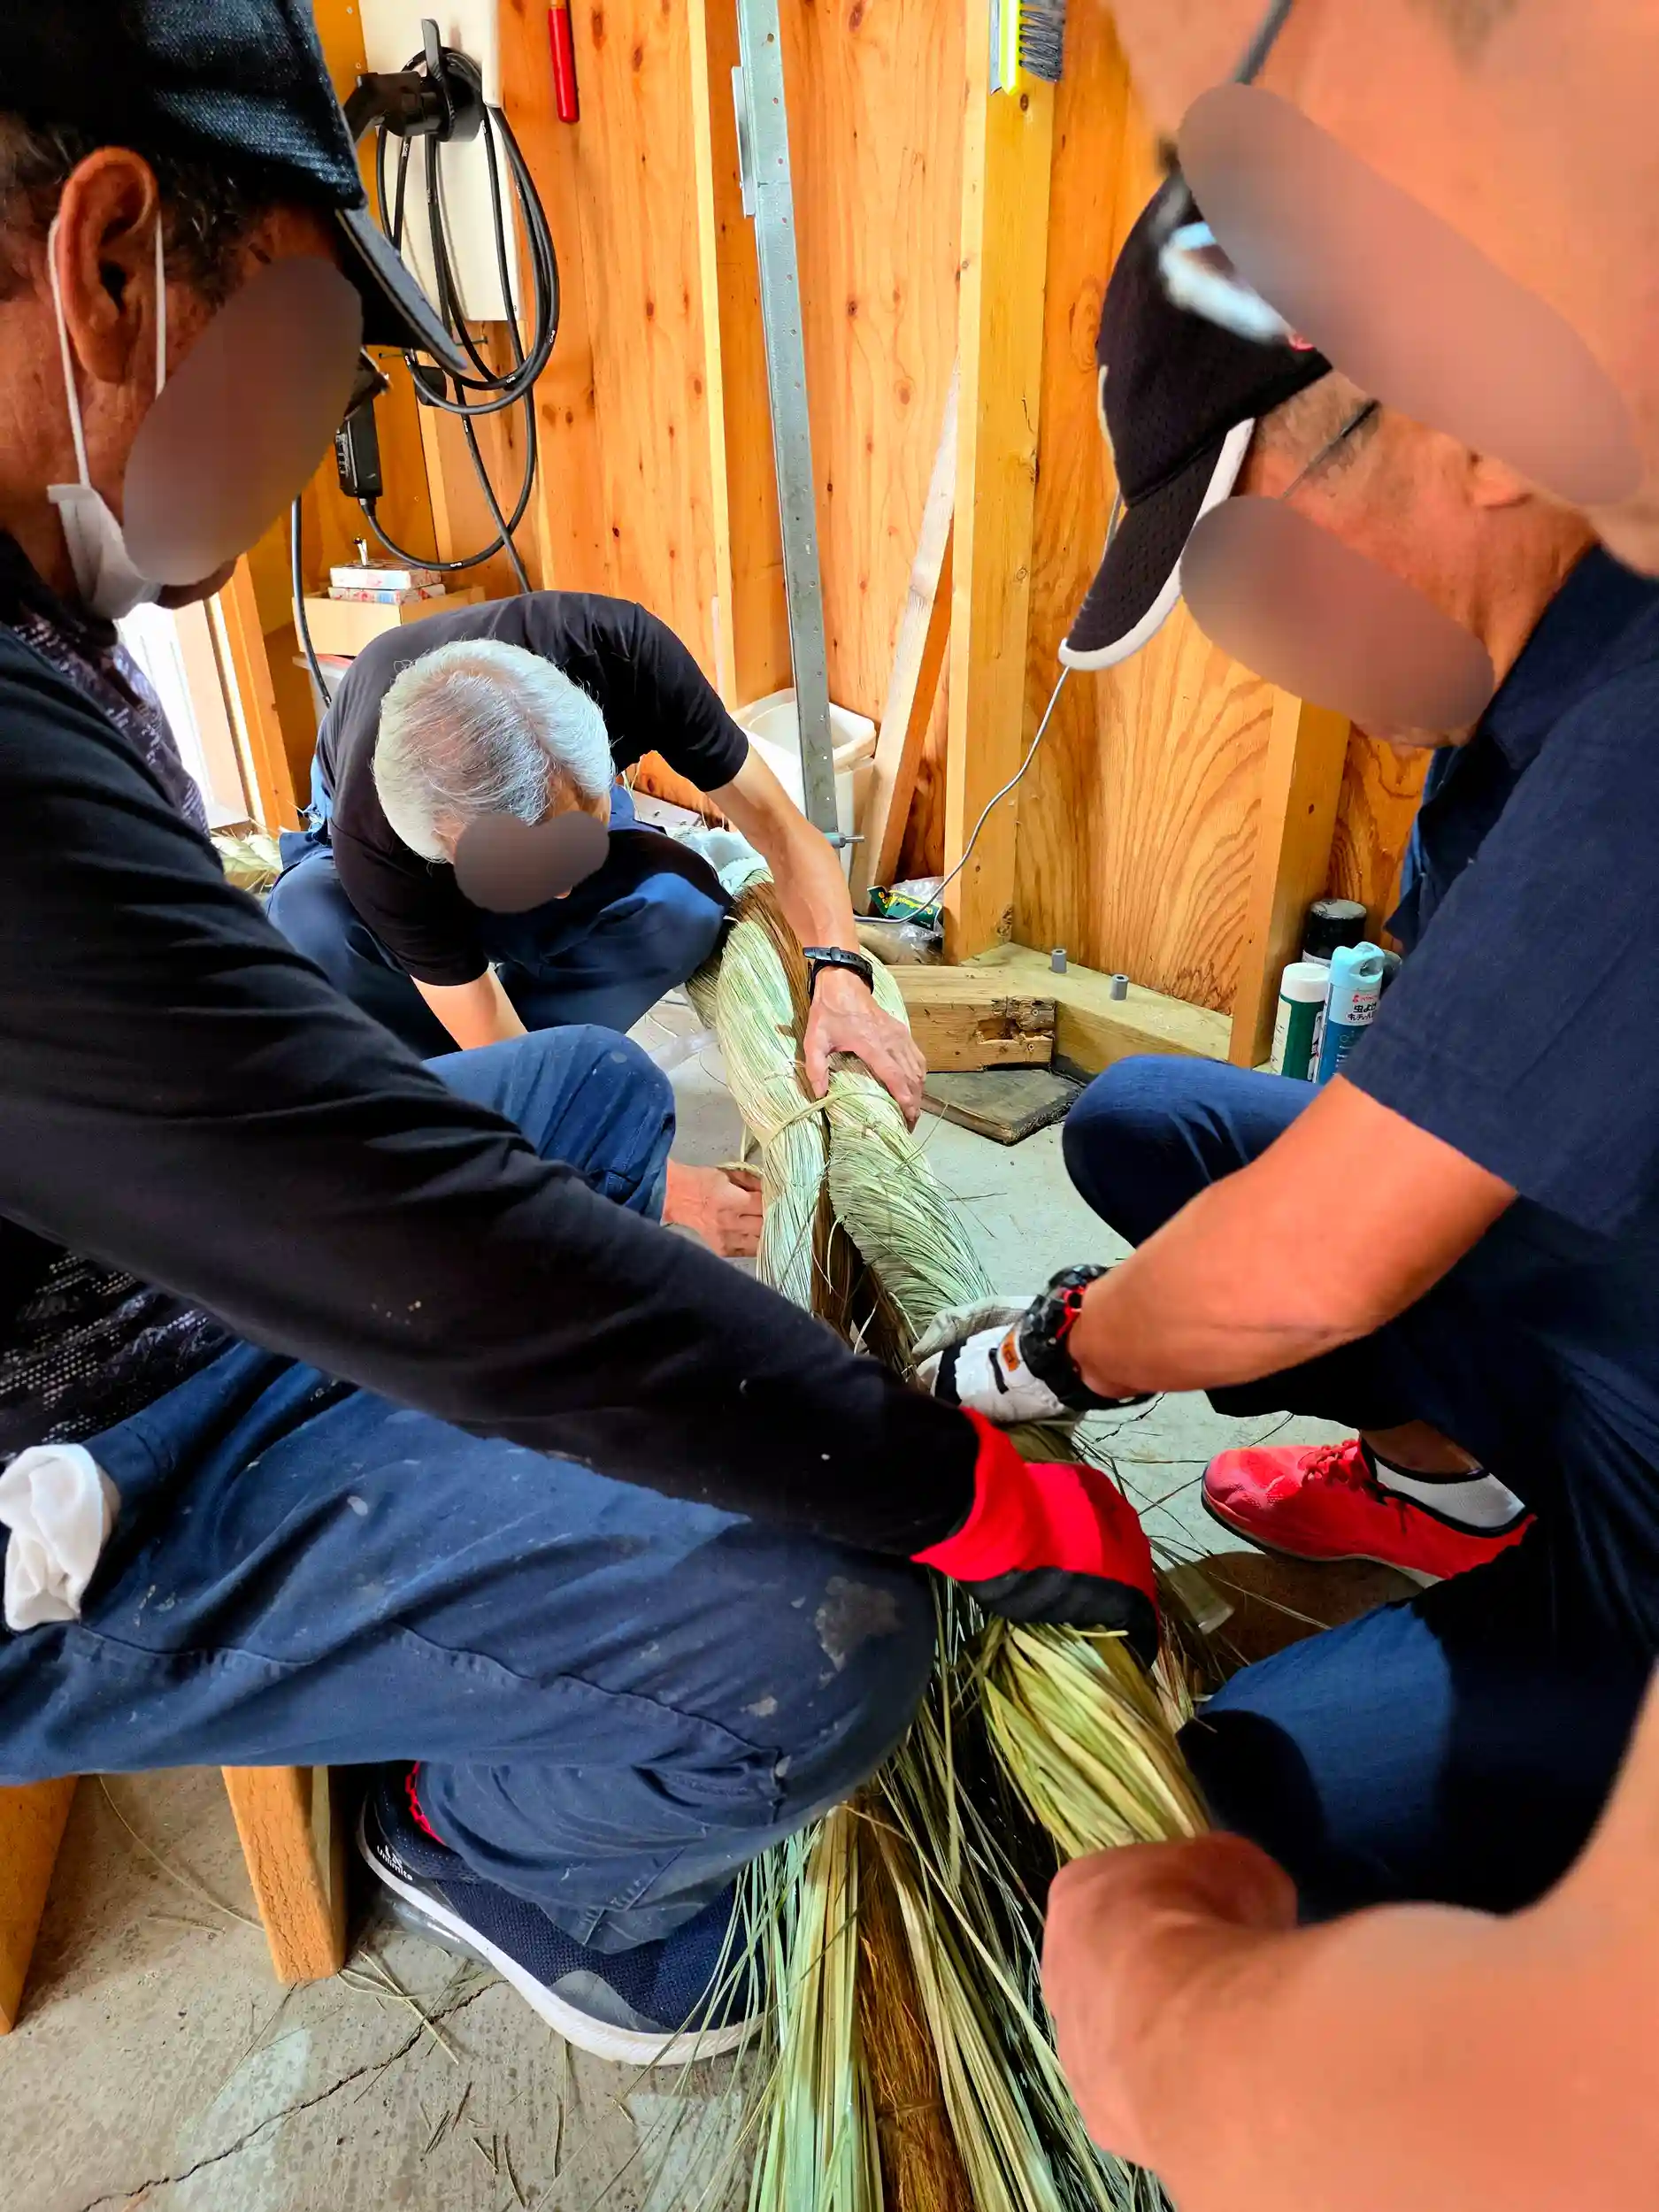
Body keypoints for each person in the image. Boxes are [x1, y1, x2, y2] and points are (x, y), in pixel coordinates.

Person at [0, 6, 1159, 2065]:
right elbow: (432, 1252)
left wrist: (835, 968)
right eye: (312, 361)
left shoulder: (73, 626)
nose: (326, 430)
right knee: (821, 1620)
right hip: (74, 1480)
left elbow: (484, 1095)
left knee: (598, 1081)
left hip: (160, 1295)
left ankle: (490, 1584)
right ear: (106, 268)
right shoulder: (247, 803)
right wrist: (962, 1491)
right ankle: (502, 1851)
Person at [925, 180, 1659, 1974]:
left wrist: (1047, 1358)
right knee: (1148, 1123)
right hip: (1605, 1323)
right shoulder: (1511, 708)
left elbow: (1319, 1261)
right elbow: (1399, 1140)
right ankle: (1451, 1481)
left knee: (1231, 1812)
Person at [268, 596, 927, 1139]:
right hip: (381, 847)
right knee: (310, 920)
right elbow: (488, 1033)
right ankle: (442, 1090)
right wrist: (653, 1182)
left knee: (680, 902)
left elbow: (783, 831)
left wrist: (841, 975)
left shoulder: (627, 657)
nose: (561, 891)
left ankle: (527, 1078)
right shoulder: (379, 831)